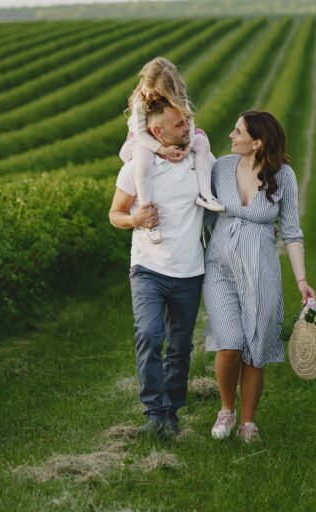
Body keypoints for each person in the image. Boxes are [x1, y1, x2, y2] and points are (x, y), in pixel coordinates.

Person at [204, 111, 315, 443]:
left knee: (255, 345)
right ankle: (226, 409)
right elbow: (200, 208)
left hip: (261, 270)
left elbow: (292, 233)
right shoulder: (221, 168)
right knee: (230, 343)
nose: (230, 135)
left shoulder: (283, 177)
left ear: (257, 142)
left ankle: (248, 422)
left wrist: (301, 280)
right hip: (219, 268)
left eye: (237, 131)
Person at [109, 98, 214, 439]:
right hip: (148, 268)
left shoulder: (198, 161)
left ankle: (172, 411)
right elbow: (116, 214)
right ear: (157, 131)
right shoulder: (137, 170)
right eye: (180, 125)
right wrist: (134, 218)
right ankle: (154, 411)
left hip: (189, 271)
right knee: (150, 335)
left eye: (188, 122)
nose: (189, 129)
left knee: (181, 345)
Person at [119, 57, 224, 245]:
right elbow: (141, 134)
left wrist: (188, 148)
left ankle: (206, 194)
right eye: (147, 89)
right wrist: (163, 150)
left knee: (202, 143)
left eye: (156, 93)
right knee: (143, 160)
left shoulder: (178, 97)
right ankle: (147, 211)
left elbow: (189, 123)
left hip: (171, 133)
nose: (149, 96)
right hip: (143, 138)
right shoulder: (140, 101)